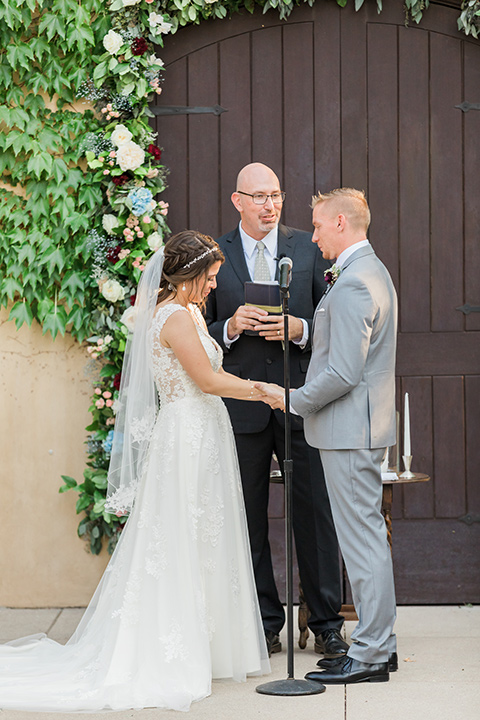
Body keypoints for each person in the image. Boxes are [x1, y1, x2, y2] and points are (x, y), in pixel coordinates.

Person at [0, 231, 270, 712]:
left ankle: (206, 644)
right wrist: (266, 390)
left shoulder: (190, 311)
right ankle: (168, 648)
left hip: (206, 432)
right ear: (187, 276)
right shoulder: (171, 316)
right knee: (180, 538)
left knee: (205, 535)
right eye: (208, 279)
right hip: (186, 433)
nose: (213, 287)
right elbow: (206, 380)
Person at [205, 163, 347, 659]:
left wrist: (299, 330)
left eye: (277, 195)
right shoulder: (214, 255)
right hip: (241, 407)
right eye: (259, 196)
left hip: (300, 404)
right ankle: (263, 622)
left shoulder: (309, 249)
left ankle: (327, 622)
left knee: (314, 515)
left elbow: (332, 322)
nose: (270, 205)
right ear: (236, 200)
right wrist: (229, 326)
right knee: (247, 518)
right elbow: (193, 329)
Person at [258, 188, 398, 684]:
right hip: (351, 427)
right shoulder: (367, 272)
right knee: (364, 538)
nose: (311, 235)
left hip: (348, 429)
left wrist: (289, 399)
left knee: (361, 542)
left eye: (317, 226)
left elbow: (342, 372)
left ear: (341, 223)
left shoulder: (357, 281)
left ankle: (373, 652)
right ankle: (382, 645)